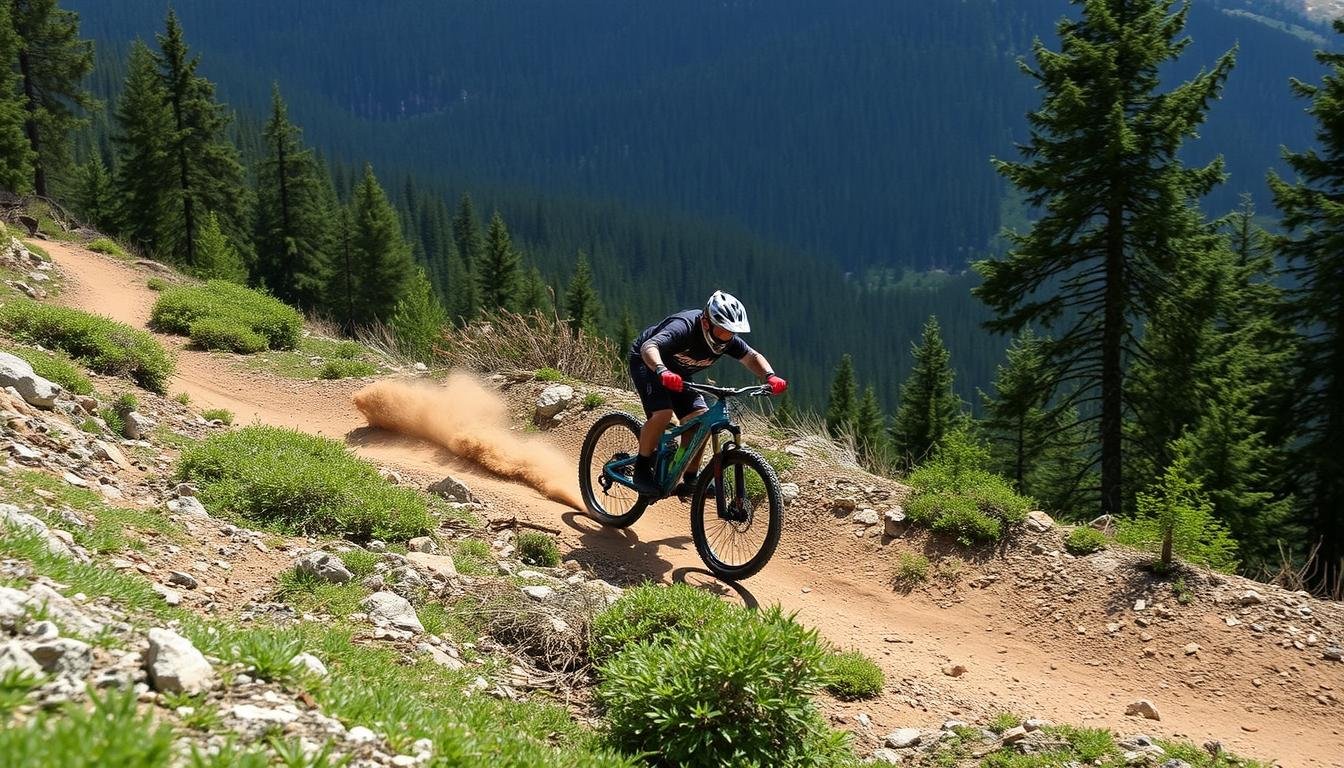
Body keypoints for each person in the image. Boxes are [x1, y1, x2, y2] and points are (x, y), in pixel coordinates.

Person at [627, 290, 787, 496]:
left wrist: (770, 376)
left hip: (677, 372)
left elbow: (751, 357)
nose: (726, 338)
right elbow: (650, 346)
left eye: (731, 332)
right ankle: (641, 469)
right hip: (648, 363)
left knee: (701, 420)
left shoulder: (727, 341)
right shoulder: (683, 327)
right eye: (722, 331)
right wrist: (661, 370)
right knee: (663, 414)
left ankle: (691, 478)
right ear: (706, 322)